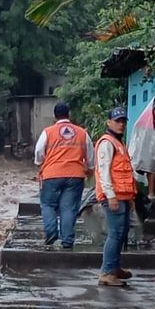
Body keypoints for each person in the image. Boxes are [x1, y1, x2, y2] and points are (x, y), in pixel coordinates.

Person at [33, 102, 94, 250]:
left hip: (51, 175)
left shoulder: (48, 132)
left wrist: (40, 162)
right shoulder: (82, 133)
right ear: (70, 115)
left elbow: (39, 153)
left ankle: (51, 234)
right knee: (69, 209)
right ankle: (67, 241)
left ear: (54, 116)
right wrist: (90, 169)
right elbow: (91, 158)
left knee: (48, 205)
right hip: (75, 176)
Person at [96, 106, 137, 286]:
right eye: (117, 121)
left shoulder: (118, 143)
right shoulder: (107, 143)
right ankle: (107, 272)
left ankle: (114, 268)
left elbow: (126, 173)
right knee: (115, 233)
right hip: (113, 197)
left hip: (123, 197)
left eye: (123, 121)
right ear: (109, 122)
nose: (121, 124)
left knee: (121, 233)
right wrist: (110, 196)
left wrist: (131, 198)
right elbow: (104, 172)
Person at [129, 95, 155, 200]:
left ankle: (149, 192)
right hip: (152, 136)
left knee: (150, 165)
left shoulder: (151, 110)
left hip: (146, 136)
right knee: (152, 165)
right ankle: (151, 192)